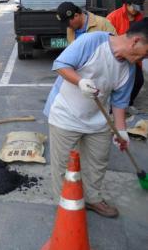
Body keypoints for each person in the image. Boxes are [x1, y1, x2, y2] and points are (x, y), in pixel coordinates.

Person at [43, 18, 148, 218]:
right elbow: (61, 64)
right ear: (135, 42)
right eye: (146, 53)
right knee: (63, 164)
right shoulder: (92, 41)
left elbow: (119, 102)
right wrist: (80, 81)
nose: (144, 59)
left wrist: (122, 131)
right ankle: (64, 203)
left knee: (98, 161)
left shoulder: (130, 68)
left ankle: (92, 198)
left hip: (98, 119)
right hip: (66, 113)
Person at [107, 0, 146, 111]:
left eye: (138, 7)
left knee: (138, 81)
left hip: (134, 58)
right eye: (134, 7)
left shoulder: (140, 18)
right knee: (115, 83)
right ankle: (111, 107)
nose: (136, 10)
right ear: (127, 4)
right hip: (118, 56)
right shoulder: (113, 17)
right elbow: (108, 37)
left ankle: (128, 103)